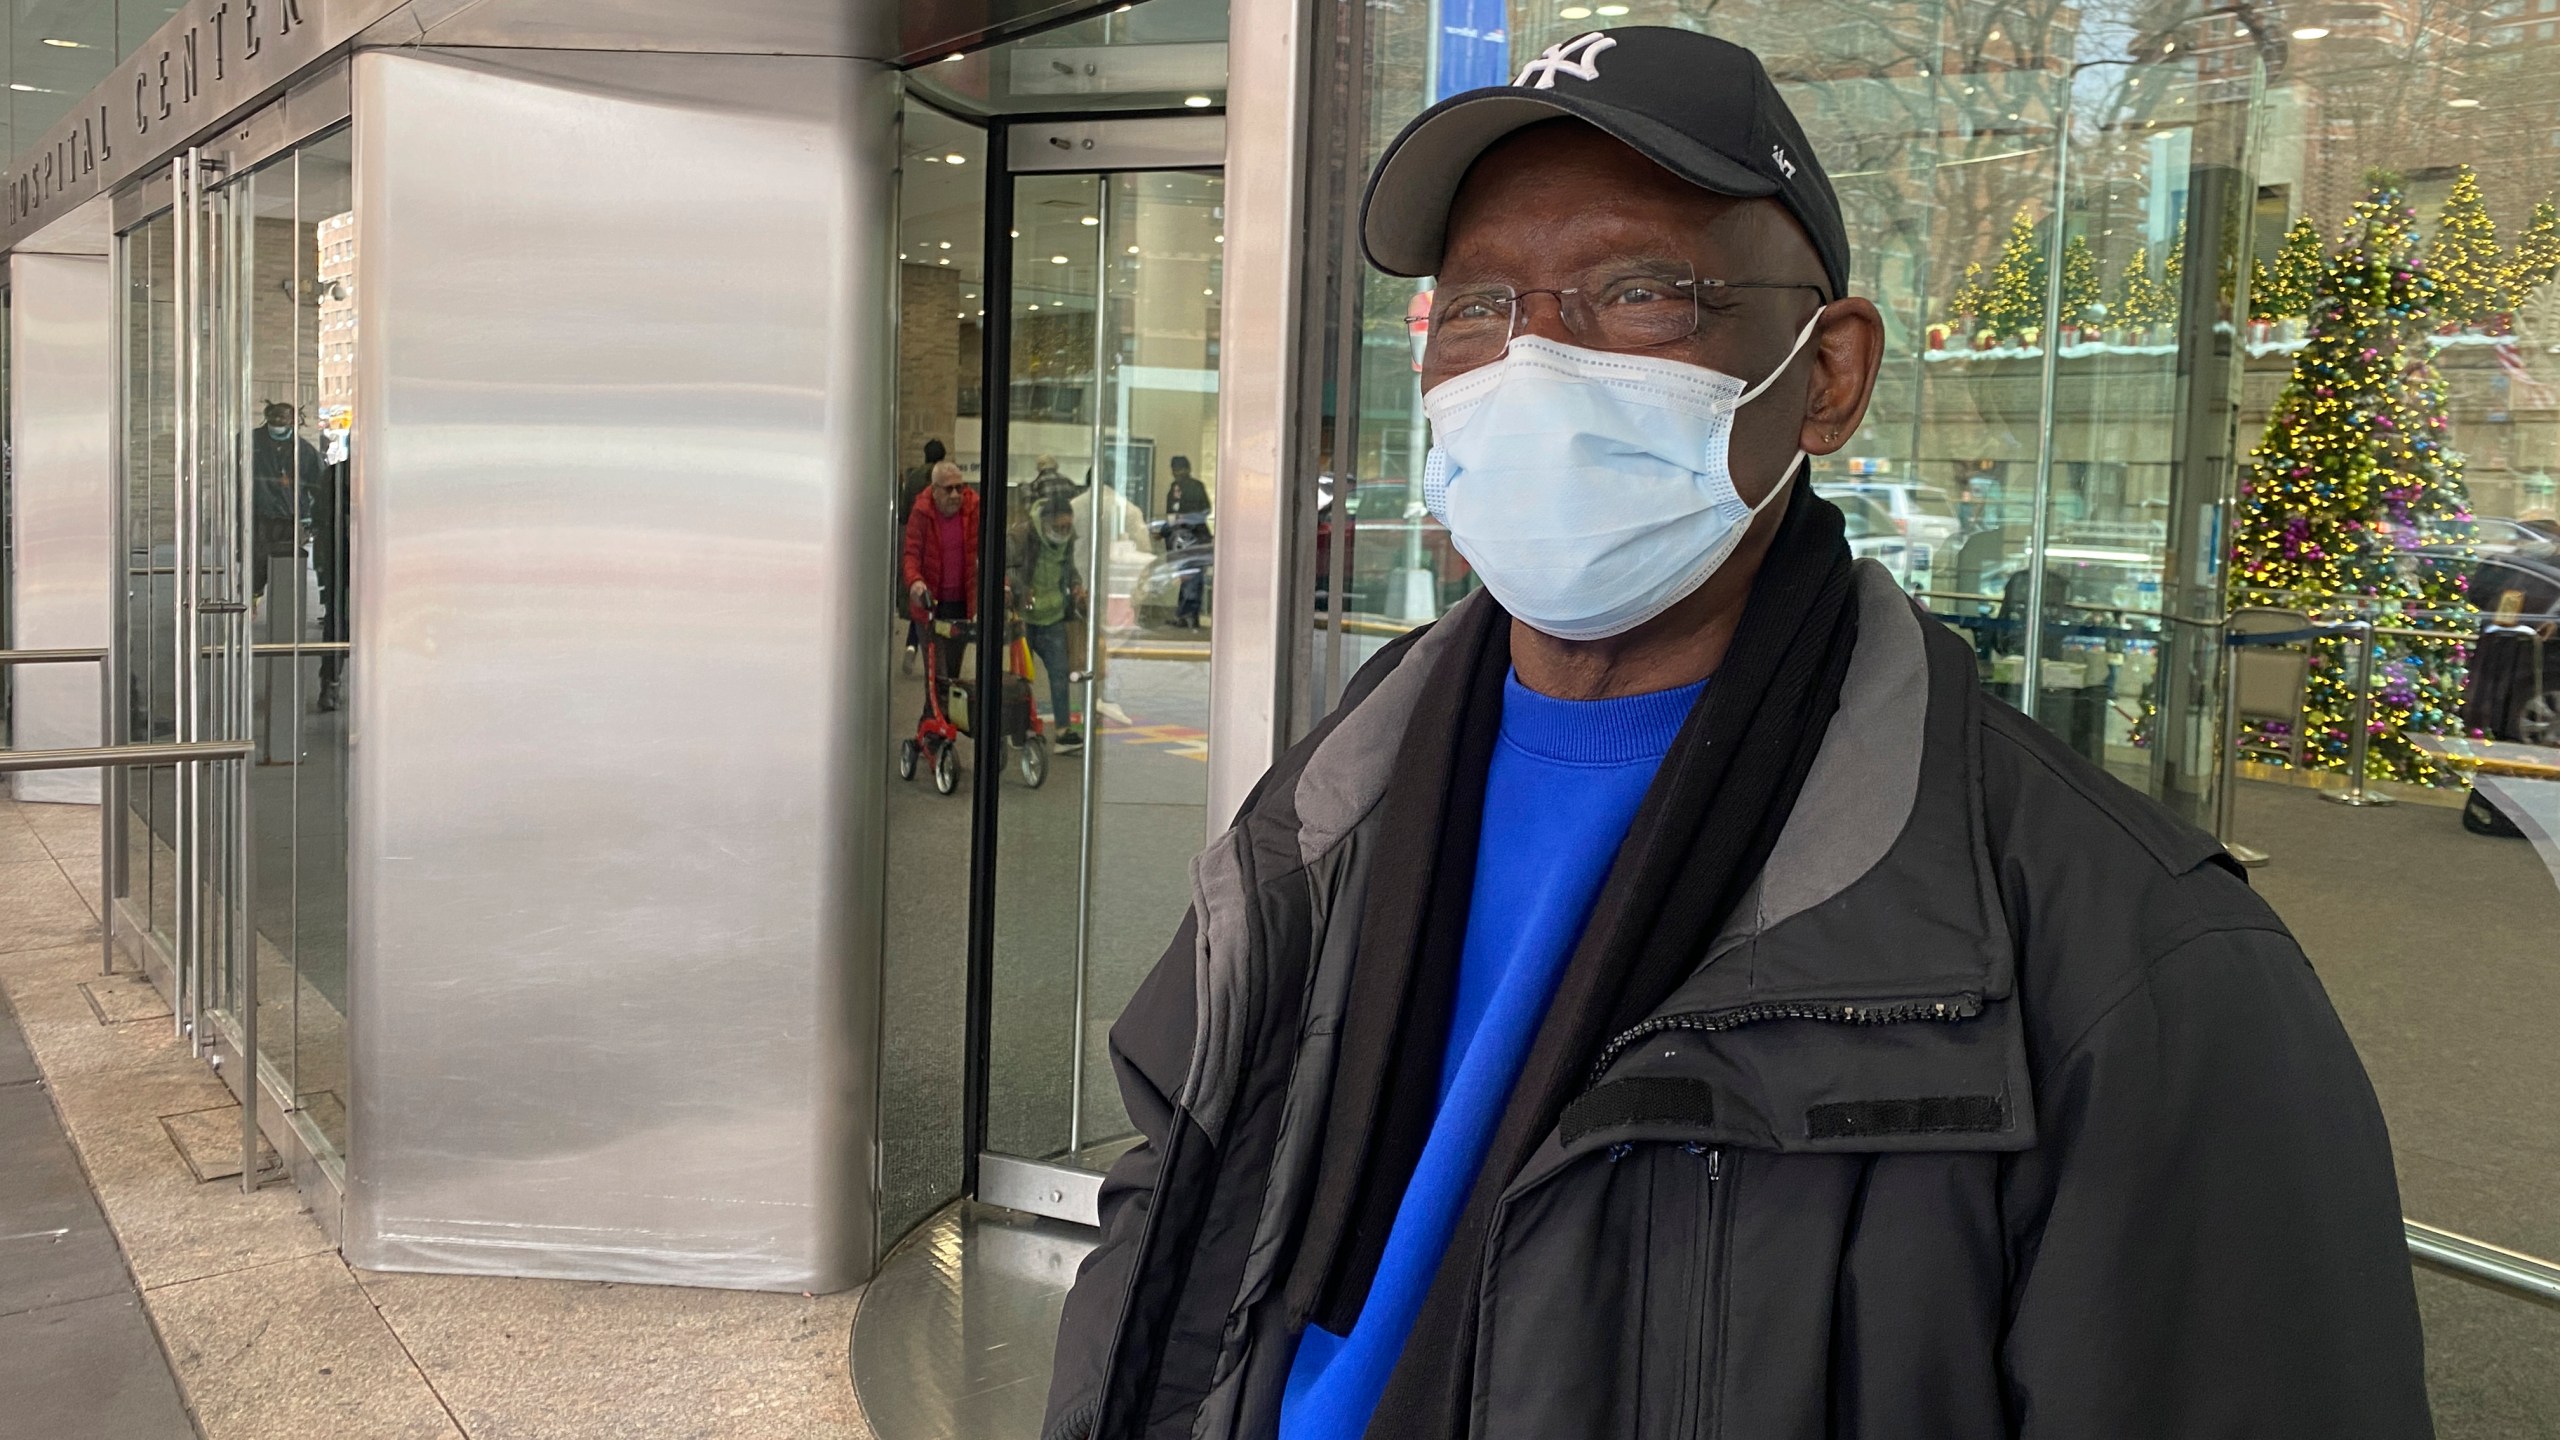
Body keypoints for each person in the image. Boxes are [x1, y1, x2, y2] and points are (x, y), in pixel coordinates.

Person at [1045, 29, 2427, 1440]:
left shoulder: (2126, 965)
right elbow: (1178, 1202)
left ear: (1828, 375)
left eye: (1640, 291)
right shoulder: (1336, 800)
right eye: (1476, 306)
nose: (1528, 363)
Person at [1008, 497, 1089, 752]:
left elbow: (1070, 568)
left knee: (1059, 672)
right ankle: (1018, 729)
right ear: (1044, 522)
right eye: (1060, 526)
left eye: (1068, 527)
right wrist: (1021, 589)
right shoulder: (1022, 535)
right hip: (1024, 618)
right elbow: (1006, 568)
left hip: (1053, 615)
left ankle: (1063, 732)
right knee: (1020, 678)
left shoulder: (1065, 541)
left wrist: (1076, 584)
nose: (1064, 531)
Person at [901, 461, 978, 716]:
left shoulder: (974, 508)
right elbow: (911, 553)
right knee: (937, 676)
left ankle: (931, 726)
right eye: (948, 489)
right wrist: (915, 582)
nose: (956, 495)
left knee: (951, 678)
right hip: (931, 606)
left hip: (960, 605)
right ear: (934, 490)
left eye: (960, 487)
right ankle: (937, 736)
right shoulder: (921, 512)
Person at [250, 402, 323, 606]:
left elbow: (317, 484)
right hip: (258, 513)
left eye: (283, 417)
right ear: (267, 416)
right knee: (257, 559)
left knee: (287, 563)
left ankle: (284, 605)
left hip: (290, 516)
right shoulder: (250, 441)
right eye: (274, 416)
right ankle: (253, 596)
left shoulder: (304, 450)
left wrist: (311, 518)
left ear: (294, 420)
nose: (278, 421)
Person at [898, 440, 947, 671]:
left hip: (917, 543)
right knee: (932, 604)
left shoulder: (914, 478)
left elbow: (903, 514)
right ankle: (929, 654)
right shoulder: (946, 479)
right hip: (940, 546)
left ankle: (911, 647)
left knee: (921, 599)